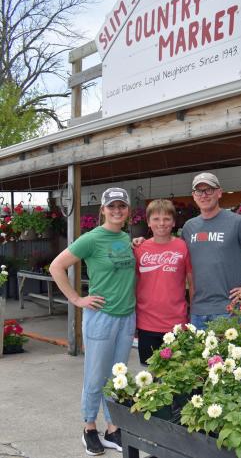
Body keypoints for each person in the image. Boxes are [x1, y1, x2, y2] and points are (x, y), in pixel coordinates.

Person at [49, 188, 136, 455]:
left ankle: (112, 428)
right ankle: (89, 428)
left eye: (122, 206)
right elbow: (56, 266)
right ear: (103, 209)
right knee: (95, 376)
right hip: (101, 317)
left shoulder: (125, 237)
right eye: (112, 206)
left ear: (128, 210)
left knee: (117, 377)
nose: (117, 210)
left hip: (126, 317)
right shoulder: (91, 239)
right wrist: (76, 299)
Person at [182, 172, 241, 330]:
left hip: (228, 310)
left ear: (219, 192)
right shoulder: (189, 227)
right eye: (199, 191)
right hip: (197, 311)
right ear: (194, 196)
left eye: (209, 190)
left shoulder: (238, 222)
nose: (204, 195)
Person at [134, 199, 192, 364]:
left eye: (166, 219)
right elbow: (132, 283)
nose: (161, 223)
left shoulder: (183, 247)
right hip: (146, 323)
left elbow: (192, 283)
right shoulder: (139, 248)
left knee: (176, 377)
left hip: (176, 323)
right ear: (148, 222)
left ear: (173, 222)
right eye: (156, 219)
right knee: (149, 374)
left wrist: (192, 313)